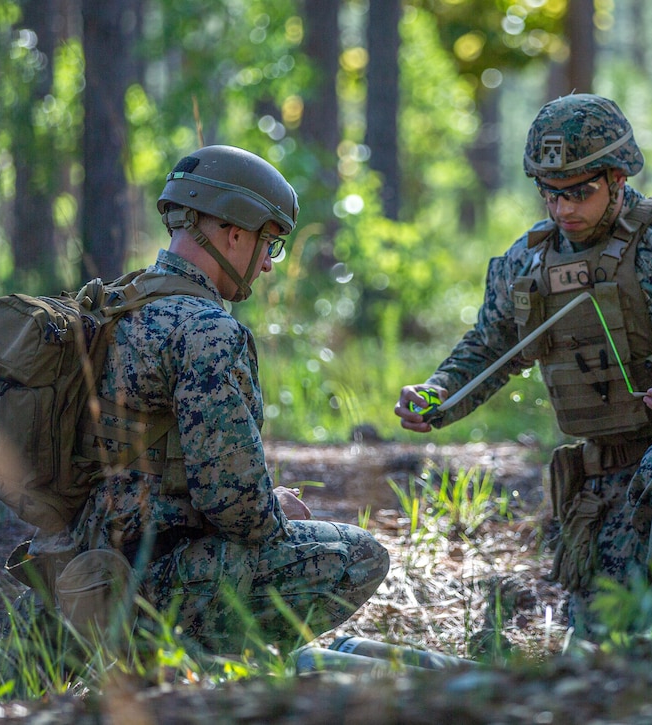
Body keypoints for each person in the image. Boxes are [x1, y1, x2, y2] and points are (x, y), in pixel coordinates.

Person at [394, 94, 652, 638]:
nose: (563, 209)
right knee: (604, 634)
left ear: (618, 179)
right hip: (612, 472)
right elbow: (489, 346)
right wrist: (439, 393)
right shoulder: (528, 264)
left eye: (579, 192)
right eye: (549, 193)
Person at [32, 145, 388, 652]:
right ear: (234, 233)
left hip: (78, 567)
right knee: (362, 555)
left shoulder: (112, 306)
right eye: (269, 243)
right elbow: (236, 507)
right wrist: (278, 508)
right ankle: (199, 657)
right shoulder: (206, 330)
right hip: (155, 582)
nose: (267, 264)